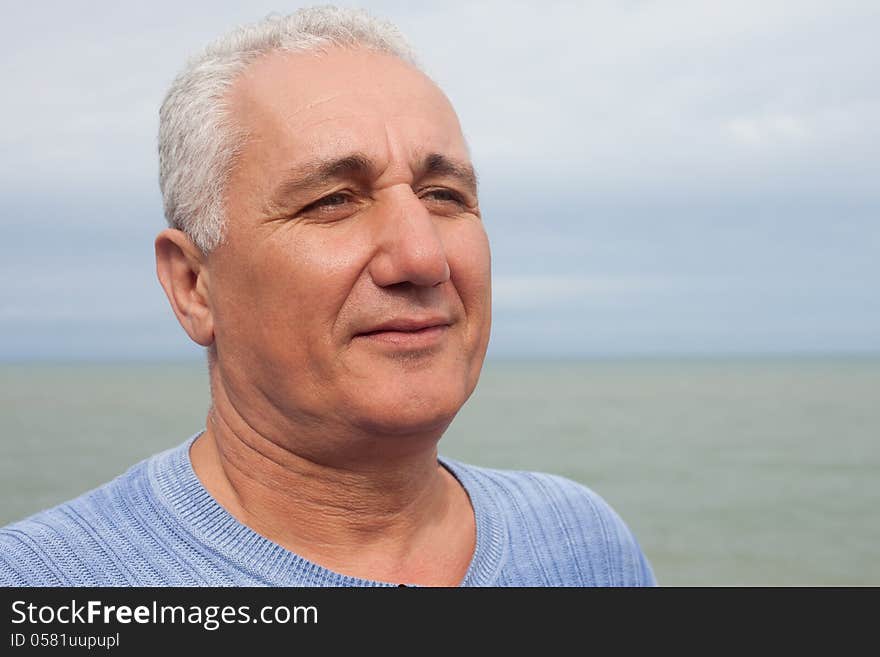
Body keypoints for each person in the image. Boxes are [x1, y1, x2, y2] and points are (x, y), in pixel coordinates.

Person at [0, 6, 655, 587]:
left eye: (444, 196)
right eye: (333, 201)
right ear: (193, 285)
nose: (423, 258)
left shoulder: (584, 547)